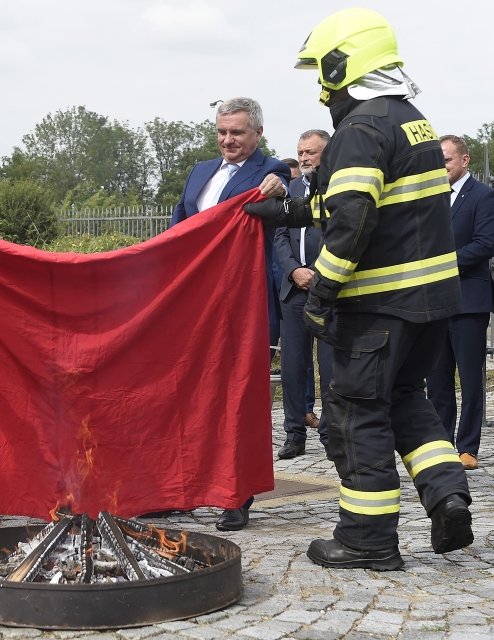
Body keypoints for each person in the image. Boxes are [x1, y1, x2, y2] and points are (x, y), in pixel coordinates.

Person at [244, 8, 473, 570]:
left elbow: (352, 220)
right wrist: (293, 210)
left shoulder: (359, 129)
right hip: (430, 303)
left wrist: (321, 291)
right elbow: (367, 202)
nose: (322, 90)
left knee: (352, 413)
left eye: (322, 72)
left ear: (343, 64)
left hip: (376, 306)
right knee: (404, 399)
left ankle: (366, 540)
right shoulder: (412, 122)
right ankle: (447, 495)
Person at [170, 97, 289, 532]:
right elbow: (179, 226)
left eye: (237, 132)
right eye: (222, 132)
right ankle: (182, 488)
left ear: (256, 133)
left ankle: (237, 495)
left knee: (239, 399)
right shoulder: (200, 171)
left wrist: (282, 188)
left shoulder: (272, 170)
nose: (228, 140)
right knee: (186, 397)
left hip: (242, 304)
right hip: (194, 306)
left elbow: (290, 200)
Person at [426, 135, 494, 471]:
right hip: (432, 301)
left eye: (446, 160)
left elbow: (484, 246)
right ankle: (441, 445)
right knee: (437, 379)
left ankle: (467, 447)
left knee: (470, 379)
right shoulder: (429, 198)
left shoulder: (485, 197)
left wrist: (439, 263)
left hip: (469, 301)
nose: (441, 167)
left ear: (465, 160)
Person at [274, 130, 333, 459]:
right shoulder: (290, 190)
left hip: (328, 290)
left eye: (311, 152)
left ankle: (330, 434)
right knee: (293, 368)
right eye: (300, 152)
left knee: (331, 368)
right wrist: (294, 270)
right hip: (293, 291)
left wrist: (321, 274)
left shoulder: (339, 189)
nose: (304, 157)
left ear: (326, 153)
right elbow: (279, 237)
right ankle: (294, 434)